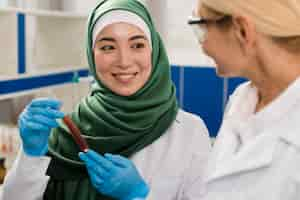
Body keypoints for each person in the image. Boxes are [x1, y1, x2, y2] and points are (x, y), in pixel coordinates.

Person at [71, 0, 300, 200]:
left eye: (200, 27)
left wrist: (140, 196)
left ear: (241, 30)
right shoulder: (242, 101)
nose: (202, 44)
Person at [1, 0, 211, 200]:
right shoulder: (65, 132)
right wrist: (30, 156)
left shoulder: (189, 133)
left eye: (137, 45)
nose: (124, 61)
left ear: (154, 51)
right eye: (108, 47)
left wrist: (139, 195)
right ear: (92, 56)